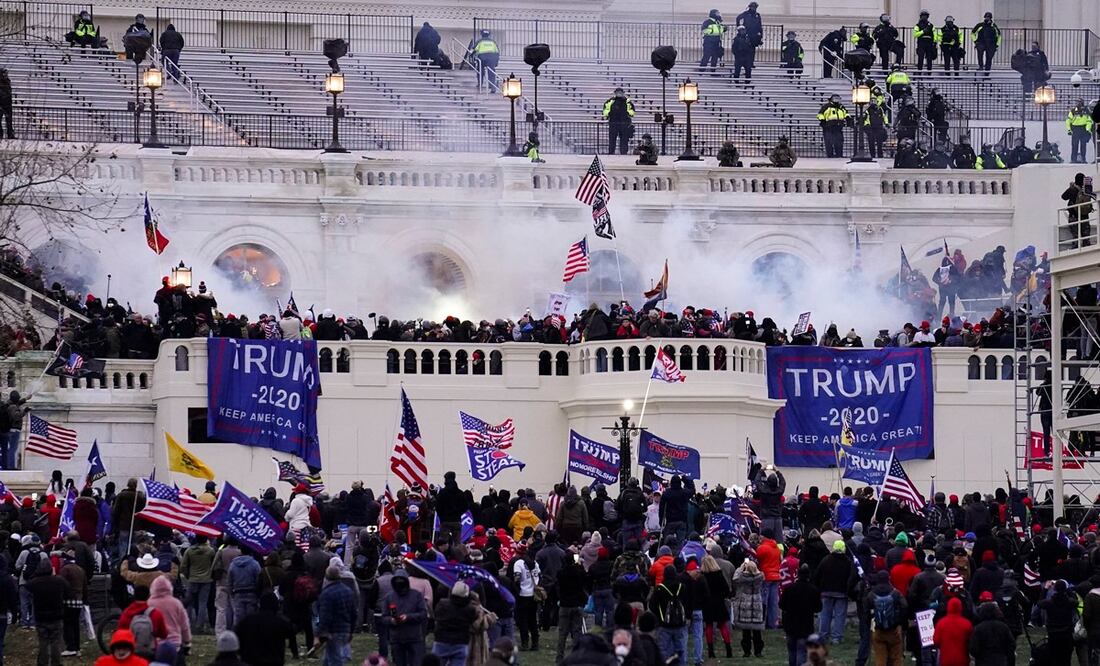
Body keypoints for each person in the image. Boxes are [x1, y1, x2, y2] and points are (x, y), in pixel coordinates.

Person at [235, 592, 298, 665]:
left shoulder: (247, 620)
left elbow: (236, 636)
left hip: (250, 661)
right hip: (274, 661)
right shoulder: (279, 622)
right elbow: (292, 630)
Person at [380, 569, 427, 666]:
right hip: (397, 638)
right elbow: (384, 617)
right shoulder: (389, 597)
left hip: (414, 638)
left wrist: (408, 617)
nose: (399, 584)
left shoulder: (416, 595)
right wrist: (391, 620)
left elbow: (423, 614)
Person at [26, 559, 68, 666]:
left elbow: (27, 584)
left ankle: (43, 662)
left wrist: (36, 573)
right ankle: (56, 663)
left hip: (41, 616)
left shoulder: (35, 582)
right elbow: (68, 589)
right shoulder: (59, 581)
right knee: (56, 641)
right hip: (56, 615)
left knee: (43, 641)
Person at [316, 565, 357, 666]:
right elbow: (353, 614)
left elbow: (325, 616)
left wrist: (318, 634)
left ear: (326, 577)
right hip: (345, 629)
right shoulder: (348, 591)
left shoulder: (326, 594)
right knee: (328, 660)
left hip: (333, 632)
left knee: (335, 661)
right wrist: (351, 631)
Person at [780, 564, 820, 666]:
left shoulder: (789, 589)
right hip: (806, 626)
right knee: (802, 651)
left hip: (791, 625)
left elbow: (781, 605)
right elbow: (818, 608)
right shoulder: (813, 590)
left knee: (792, 651)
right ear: (808, 576)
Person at [866, 570, 906, 666]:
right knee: (896, 657)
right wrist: (901, 622)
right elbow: (904, 606)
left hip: (878, 629)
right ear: (889, 579)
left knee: (880, 657)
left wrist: (869, 623)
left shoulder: (871, 594)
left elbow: (866, 611)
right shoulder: (895, 593)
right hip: (894, 629)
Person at [651, 564, 688, 664]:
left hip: (664, 624)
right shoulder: (682, 587)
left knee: (663, 649)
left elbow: (652, 605)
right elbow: (687, 602)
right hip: (680, 623)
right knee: (681, 649)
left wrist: (659, 616)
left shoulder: (660, 589)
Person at [434, 581, 478, 664]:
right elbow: (473, 619)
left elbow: (437, 615)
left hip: (442, 640)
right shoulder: (470, 609)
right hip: (461, 642)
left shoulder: (442, 604)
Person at [180, 534, 214, 633]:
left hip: (193, 579)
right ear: (206, 539)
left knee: (189, 602)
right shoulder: (211, 551)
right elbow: (214, 565)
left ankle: (188, 624)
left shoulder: (189, 551)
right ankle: (200, 626)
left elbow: (183, 566)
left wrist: (188, 576)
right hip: (206, 580)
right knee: (203, 603)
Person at [933, 597, 972, 666]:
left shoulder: (941, 623)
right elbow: (970, 642)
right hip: (962, 660)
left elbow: (936, 641)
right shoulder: (967, 624)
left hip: (945, 660)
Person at [603, 88, 635, 156]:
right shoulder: (610, 101)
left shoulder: (627, 101)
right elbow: (605, 110)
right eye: (618, 92)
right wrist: (608, 114)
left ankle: (624, 153)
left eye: (620, 92)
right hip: (613, 123)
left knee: (624, 139)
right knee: (612, 139)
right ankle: (611, 153)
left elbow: (632, 111)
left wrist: (628, 113)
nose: (619, 94)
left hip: (624, 123)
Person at [817, 94, 849, 159]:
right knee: (829, 141)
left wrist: (848, 118)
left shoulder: (841, 107)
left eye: (838, 98)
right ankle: (830, 155)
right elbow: (820, 114)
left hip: (838, 126)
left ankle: (839, 154)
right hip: (828, 127)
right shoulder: (826, 106)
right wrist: (822, 120)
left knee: (839, 141)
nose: (836, 100)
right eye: (835, 98)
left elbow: (846, 113)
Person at [1067, 98, 1094, 164]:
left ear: (1082, 102)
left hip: (1083, 129)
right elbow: (1068, 120)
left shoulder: (1086, 111)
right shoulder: (1073, 111)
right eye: (1076, 102)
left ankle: (1083, 159)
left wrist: (1088, 129)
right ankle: (1073, 159)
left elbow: (1089, 121)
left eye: (1078, 102)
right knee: (1074, 145)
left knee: (1083, 145)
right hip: (1075, 129)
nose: (1077, 103)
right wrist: (1069, 130)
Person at [864, 93, 888, 159]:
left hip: (879, 127)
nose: (873, 102)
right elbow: (866, 118)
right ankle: (872, 155)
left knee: (879, 142)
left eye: (874, 100)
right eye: (871, 100)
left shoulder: (880, 109)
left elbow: (884, 116)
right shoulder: (868, 110)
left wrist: (886, 123)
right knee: (871, 142)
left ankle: (880, 155)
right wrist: (867, 125)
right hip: (871, 128)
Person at [0, 68, 13, 140]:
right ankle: (0, 134)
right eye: (4, 73)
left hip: (8, 104)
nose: (6, 75)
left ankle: (10, 134)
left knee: (9, 120)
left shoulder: (8, 81)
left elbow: (9, 92)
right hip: (1, 104)